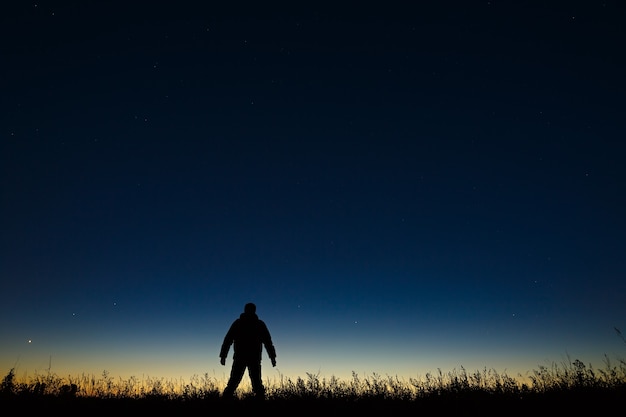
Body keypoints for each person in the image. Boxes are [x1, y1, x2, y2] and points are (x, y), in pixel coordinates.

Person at [219, 302, 277, 399]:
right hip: (243, 358)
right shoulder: (244, 324)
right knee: (236, 382)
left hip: (250, 358)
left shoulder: (256, 324)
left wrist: (272, 357)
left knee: (254, 383)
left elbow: (268, 342)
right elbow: (228, 340)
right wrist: (223, 356)